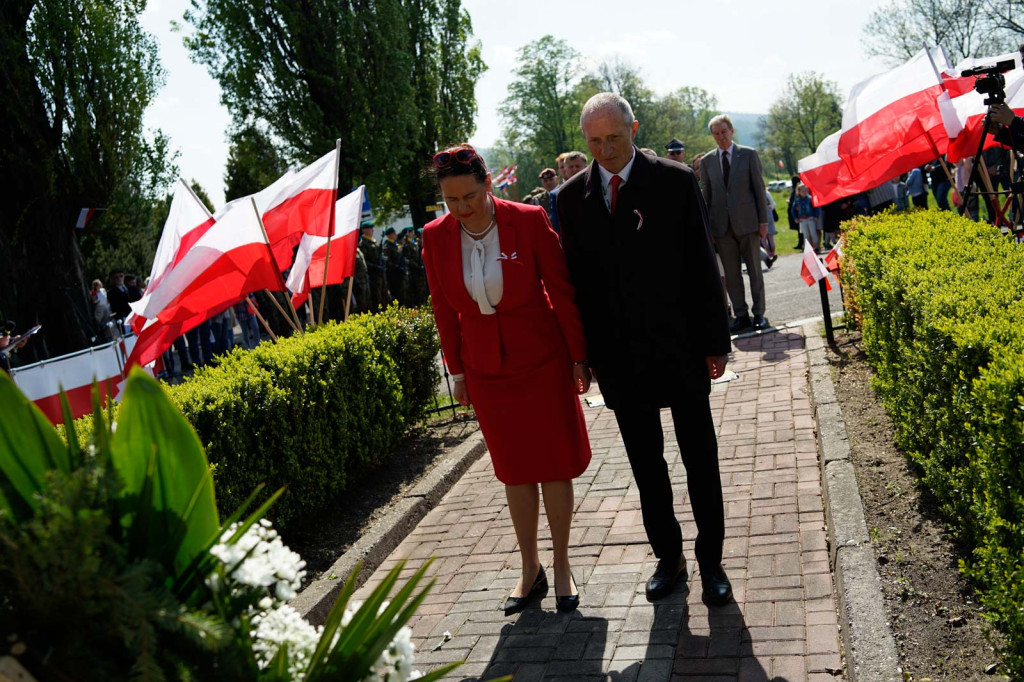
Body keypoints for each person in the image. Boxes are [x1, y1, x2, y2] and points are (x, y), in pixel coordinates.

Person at [556, 92, 734, 606]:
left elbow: (702, 265)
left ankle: (712, 562)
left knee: (701, 459)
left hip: (679, 348)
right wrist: (582, 356)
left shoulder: (675, 181)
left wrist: (715, 341)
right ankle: (669, 557)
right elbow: (576, 286)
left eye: (614, 138)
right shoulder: (571, 198)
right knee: (645, 464)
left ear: (634, 128)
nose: (606, 150)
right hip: (619, 358)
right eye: (594, 141)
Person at [422, 144, 592, 615]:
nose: (461, 208)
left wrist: (580, 356)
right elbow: (443, 309)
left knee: (554, 463)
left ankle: (561, 565)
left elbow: (561, 288)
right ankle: (529, 568)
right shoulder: (435, 236)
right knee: (514, 472)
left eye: (469, 197)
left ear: (488, 184)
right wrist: (455, 370)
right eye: (451, 200)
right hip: (486, 370)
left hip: (542, 361)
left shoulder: (529, 219)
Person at [699, 114, 770, 332]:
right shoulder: (707, 161)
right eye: (716, 134)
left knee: (755, 272)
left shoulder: (748, 155)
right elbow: (707, 197)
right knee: (731, 275)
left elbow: (759, 189)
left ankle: (759, 314)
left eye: (723, 132)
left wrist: (763, 222)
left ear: (732, 131)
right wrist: (709, 228)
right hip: (721, 227)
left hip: (748, 224)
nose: (720, 137)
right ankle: (741, 315)